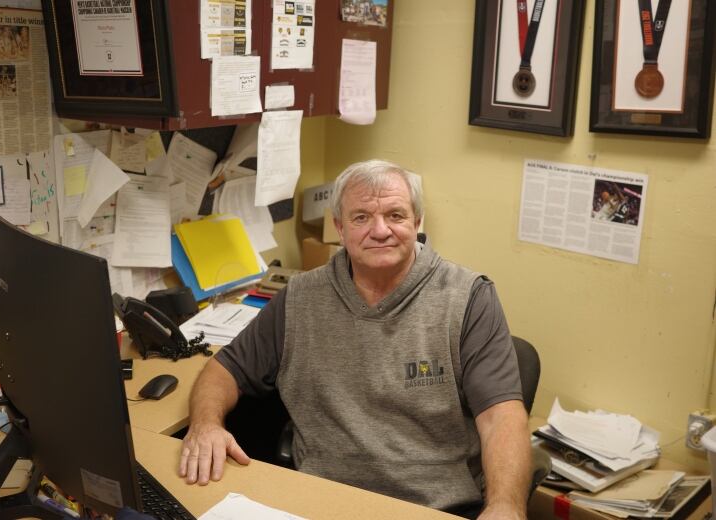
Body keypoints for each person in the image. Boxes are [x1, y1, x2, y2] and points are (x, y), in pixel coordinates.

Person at [178, 160, 531, 519]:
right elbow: (225, 369)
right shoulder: (300, 296)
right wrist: (205, 424)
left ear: (417, 222)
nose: (380, 231)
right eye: (361, 217)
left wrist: (506, 505)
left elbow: (501, 418)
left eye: (395, 215)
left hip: (434, 507)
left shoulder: (468, 297)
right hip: (320, 501)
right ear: (339, 227)